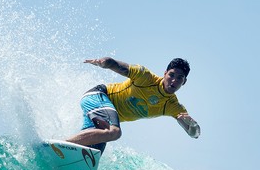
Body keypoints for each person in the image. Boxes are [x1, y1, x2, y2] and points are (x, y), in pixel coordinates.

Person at [67, 57, 201, 152]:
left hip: (103, 119)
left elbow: (194, 134)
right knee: (114, 132)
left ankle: (60, 158)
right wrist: (102, 62)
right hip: (98, 96)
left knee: (91, 155)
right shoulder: (145, 77)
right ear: (165, 74)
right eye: (171, 75)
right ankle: (60, 144)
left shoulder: (172, 106)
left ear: (184, 82)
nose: (174, 80)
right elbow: (115, 64)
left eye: (179, 78)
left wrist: (193, 126)